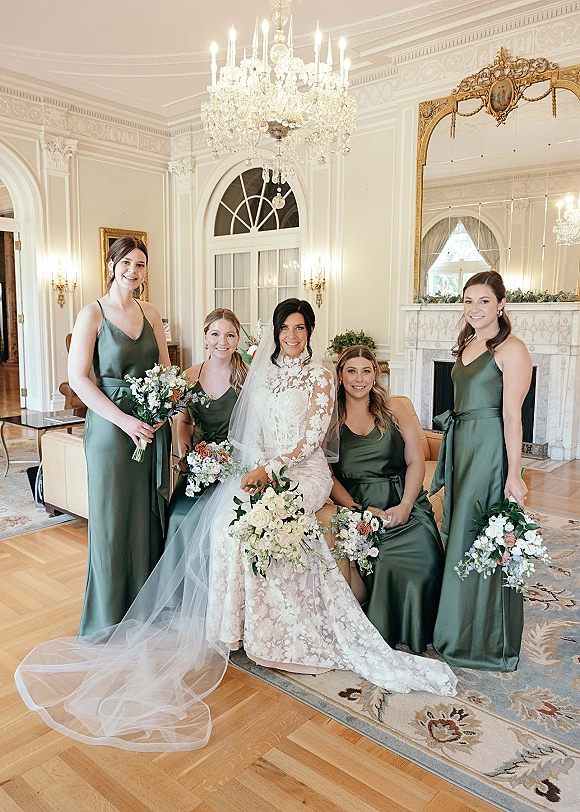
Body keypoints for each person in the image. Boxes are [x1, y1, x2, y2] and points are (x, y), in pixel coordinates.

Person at [15, 298, 457, 753]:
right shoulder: (260, 371)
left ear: (310, 332)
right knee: (230, 522)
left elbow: (310, 439)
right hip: (262, 465)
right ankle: (234, 628)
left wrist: (274, 469)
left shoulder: (322, 376)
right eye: (284, 327)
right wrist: (255, 465)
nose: (291, 335)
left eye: (300, 328)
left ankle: (282, 634)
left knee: (276, 522)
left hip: (304, 470)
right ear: (274, 331)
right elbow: (252, 432)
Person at [67, 235, 172, 636]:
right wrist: (124, 422)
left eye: (140, 264)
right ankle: (108, 617)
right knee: (113, 520)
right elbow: (78, 379)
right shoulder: (91, 314)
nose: (133, 270)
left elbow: (165, 369)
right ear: (112, 264)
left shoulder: (152, 312)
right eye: (126, 262)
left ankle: (145, 609)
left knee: (146, 517)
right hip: (112, 433)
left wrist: (161, 411)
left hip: (150, 426)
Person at [430, 270, 532, 671]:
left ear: (501, 304)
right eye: (469, 301)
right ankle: (455, 624)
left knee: (478, 537)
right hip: (462, 446)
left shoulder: (512, 349)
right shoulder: (468, 342)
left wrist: (513, 474)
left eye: (484, 301)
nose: (475, 308)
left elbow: (512, 417)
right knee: (461, 531)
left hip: (489, 449)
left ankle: (483, 638)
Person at [330, 345, 444, 654]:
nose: (359, 379)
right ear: (340, 375)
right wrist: (357, 512)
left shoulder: (395, 408)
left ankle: (423, 629)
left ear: (375, 376)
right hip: (360, 507)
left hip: (402, 500)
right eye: (351, 371)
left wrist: (406, 506)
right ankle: (384, 628)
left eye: (366, 371)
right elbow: (327, 475)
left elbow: (416, 461)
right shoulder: (329, 417)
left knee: (427, 558)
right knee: (384, 561)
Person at [165, 308, 247, 542]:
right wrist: (188, 454)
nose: (222, 342)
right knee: (178, 516)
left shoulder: (247, 378)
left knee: (221, 521)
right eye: (215, 334)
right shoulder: (189, 376)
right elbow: (184, 421)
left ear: (237, 339)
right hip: (198, 464)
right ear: (205, 338)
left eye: (230, 335)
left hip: (236, 465)